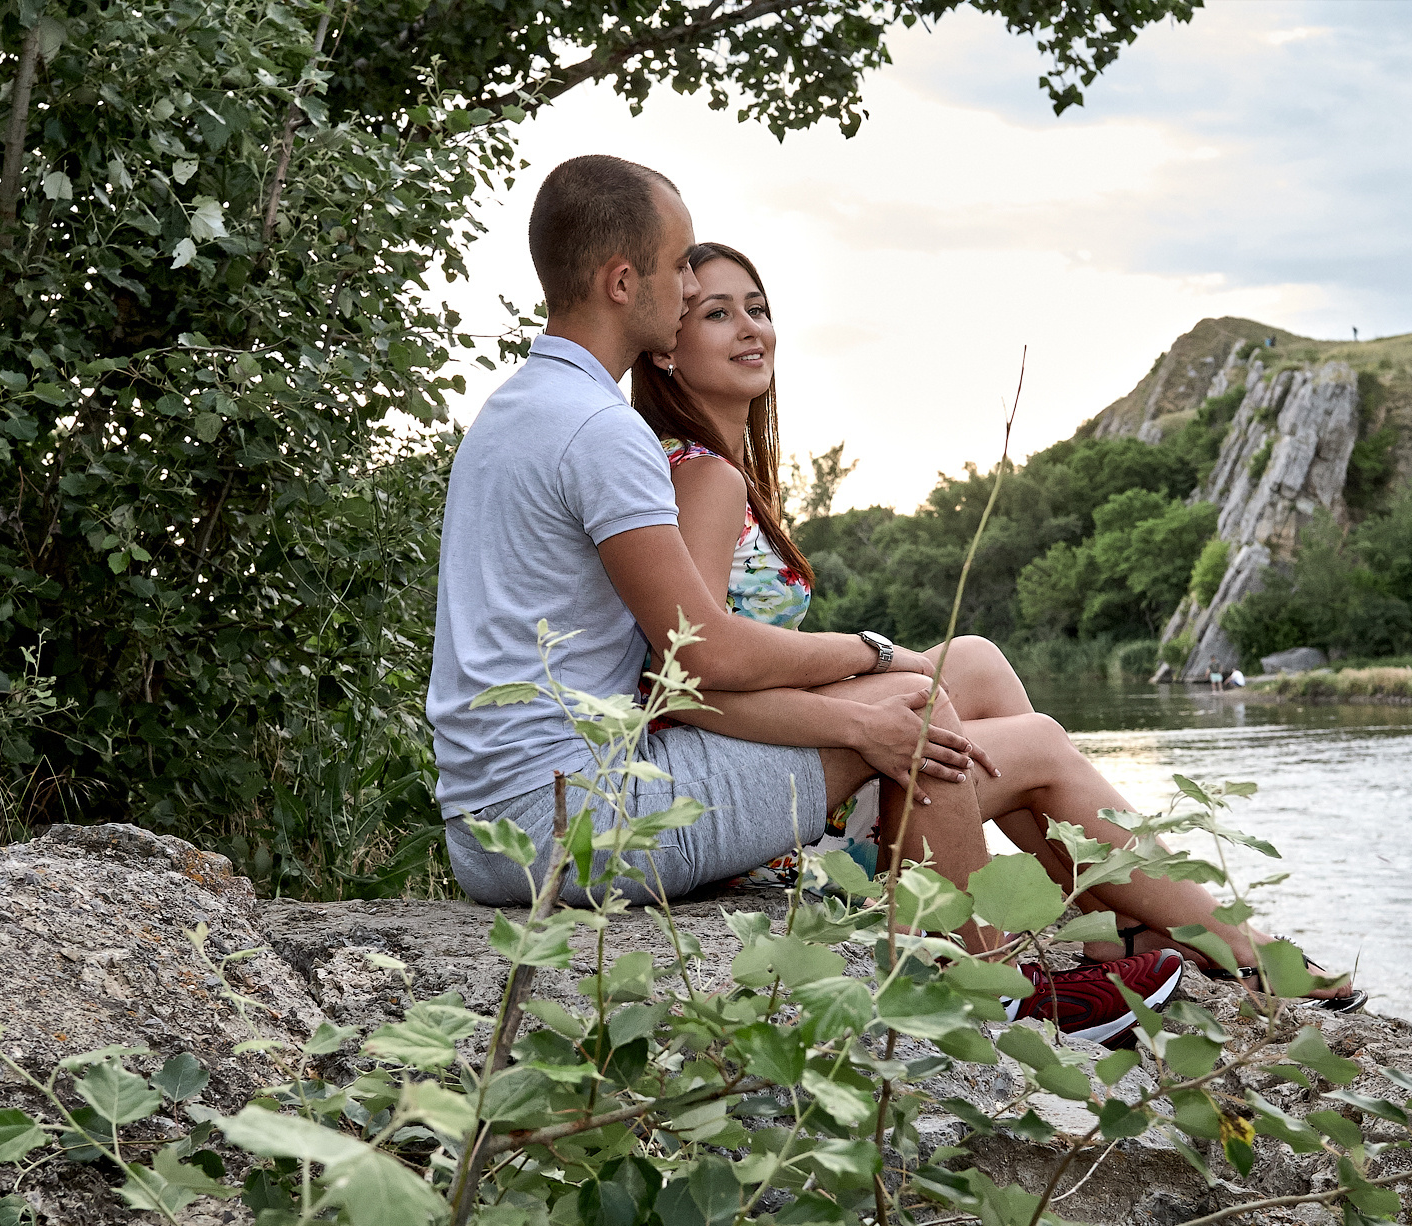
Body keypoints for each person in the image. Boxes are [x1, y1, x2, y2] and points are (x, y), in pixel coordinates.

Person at [427, 156, 1183, 1042]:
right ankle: (997, 990)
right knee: (919, 706)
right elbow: (700, 653)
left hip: (492, 826)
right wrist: (872, 662)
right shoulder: (602, 431)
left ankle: (1045, 947)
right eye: (678, 269)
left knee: (922, 697)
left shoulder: (512, 411)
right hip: (580, 821)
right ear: (622, 280)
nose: (685, 285)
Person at [627, 240, 1359, 1008]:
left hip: (766, 764)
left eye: (758, 307)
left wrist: (868, 680)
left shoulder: (707, 468)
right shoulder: (705, 477)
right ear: (669, 351)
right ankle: (1239, 947)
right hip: (763, 821)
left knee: (970, 659)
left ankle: (1116, 926)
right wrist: (858, 708)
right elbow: (677, 681)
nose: (750, 327)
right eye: (716, 313)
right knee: (1037, 742)